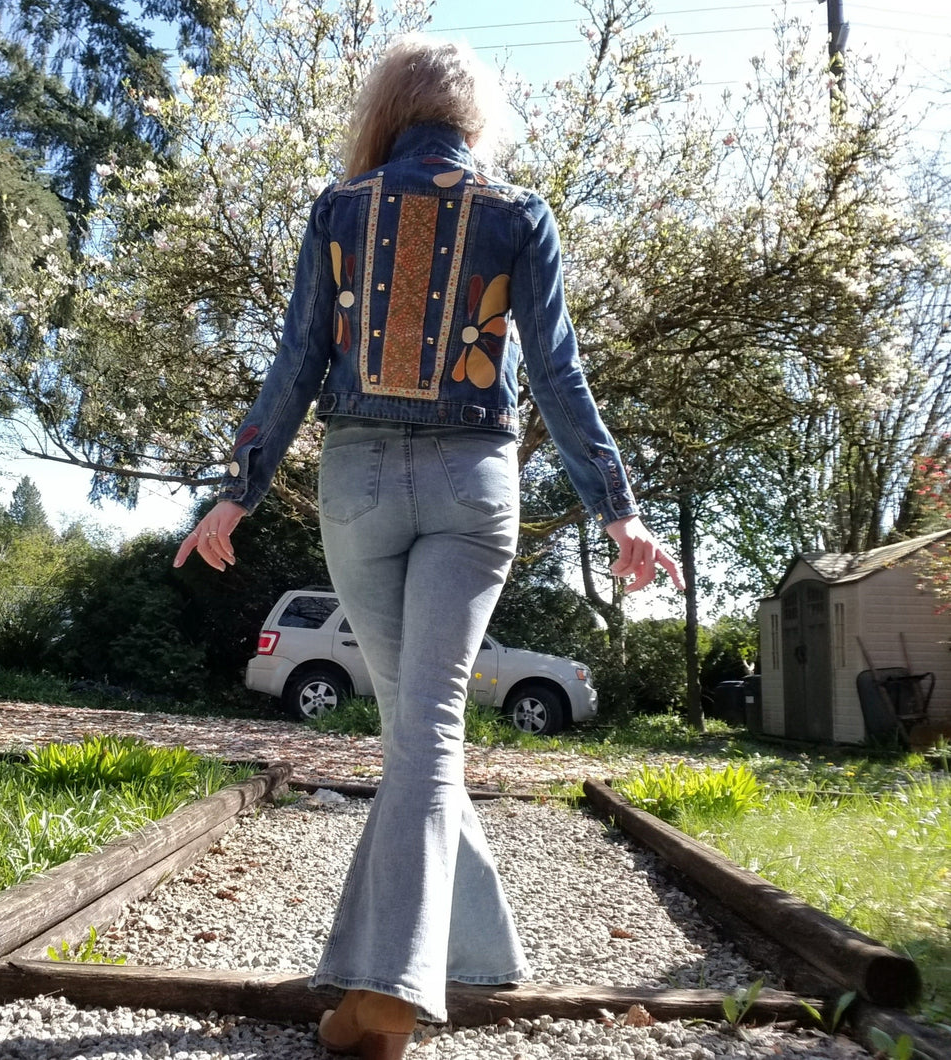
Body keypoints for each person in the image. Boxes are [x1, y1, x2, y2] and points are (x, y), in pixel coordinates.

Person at [174, 35, 684, 1060]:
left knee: (420, 727)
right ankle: (451, 965)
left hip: (358, 482)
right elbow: (558, 371)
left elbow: (294, 364)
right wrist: (616, 511)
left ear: (388, 111)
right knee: (427, 726)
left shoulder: (338, 209)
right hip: (473, 485)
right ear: (470, 117)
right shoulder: (519, 214)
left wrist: (236, 493)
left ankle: (388, 994)